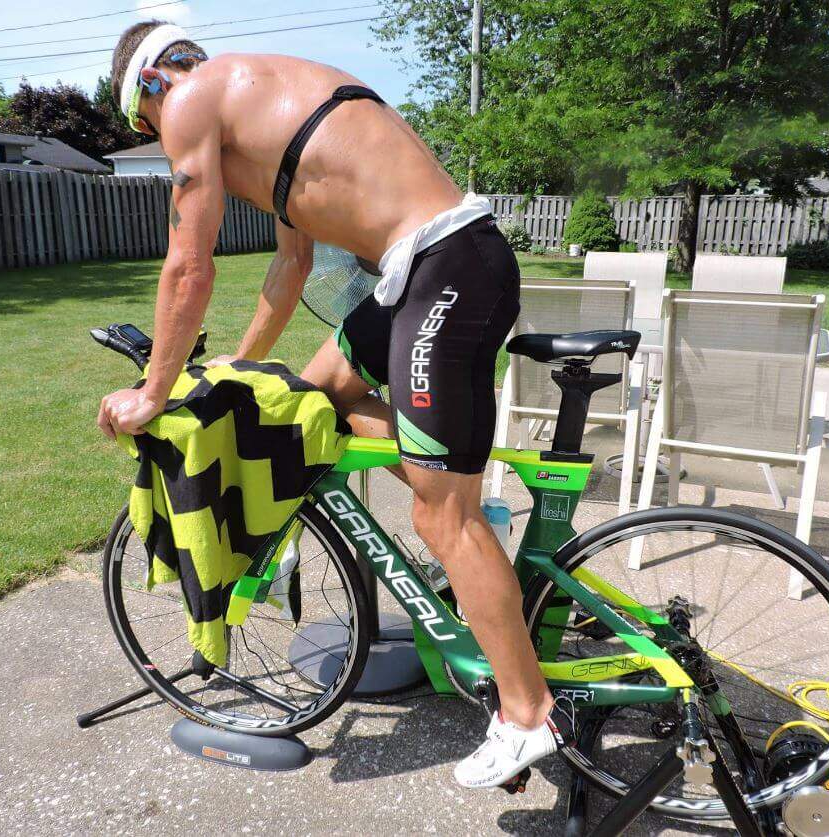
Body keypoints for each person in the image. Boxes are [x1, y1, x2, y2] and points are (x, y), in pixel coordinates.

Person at [96, 21, 574, 788]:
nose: (158, 139)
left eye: (143, 128)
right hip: (419, 271)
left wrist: (154, 389)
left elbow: (188, 263)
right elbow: (291, 268)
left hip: (440, 268)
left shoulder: (190, 99)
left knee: (438, 515)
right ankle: (451, 488)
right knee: (313, 396)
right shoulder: (262, 99)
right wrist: (240, 368)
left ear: (150, 88)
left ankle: (525, 712)